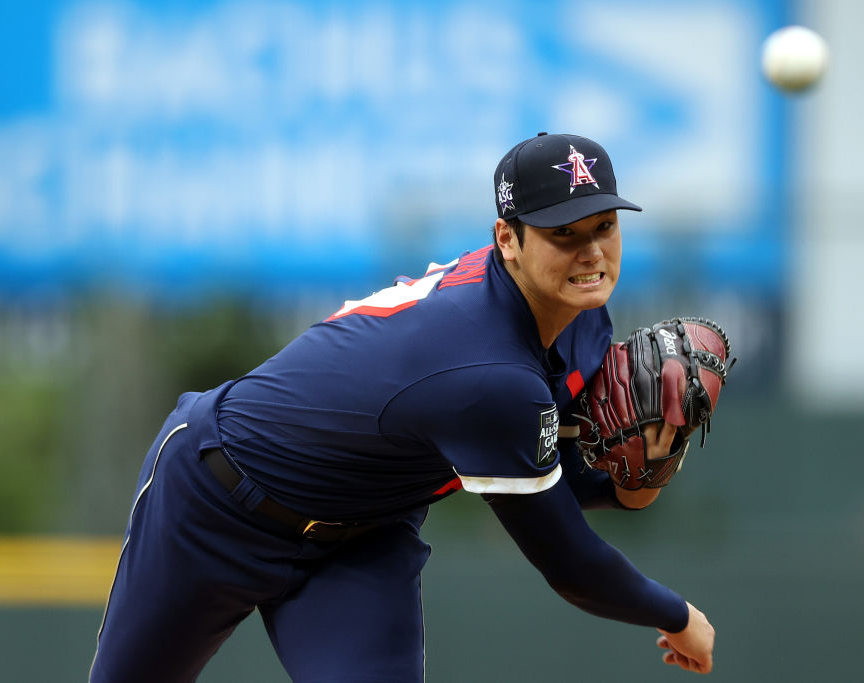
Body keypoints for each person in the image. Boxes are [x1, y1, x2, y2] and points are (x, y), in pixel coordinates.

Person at [89, 132, 716, 681]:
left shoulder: (581, 322)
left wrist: (634, 480)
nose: (591, 252)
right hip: (214, 501)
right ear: (508, 239)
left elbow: (530, 471)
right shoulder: (487, 372)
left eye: (603, 225)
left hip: (364, 534)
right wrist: (676, 615)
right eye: (563, 233)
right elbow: (569, 561)